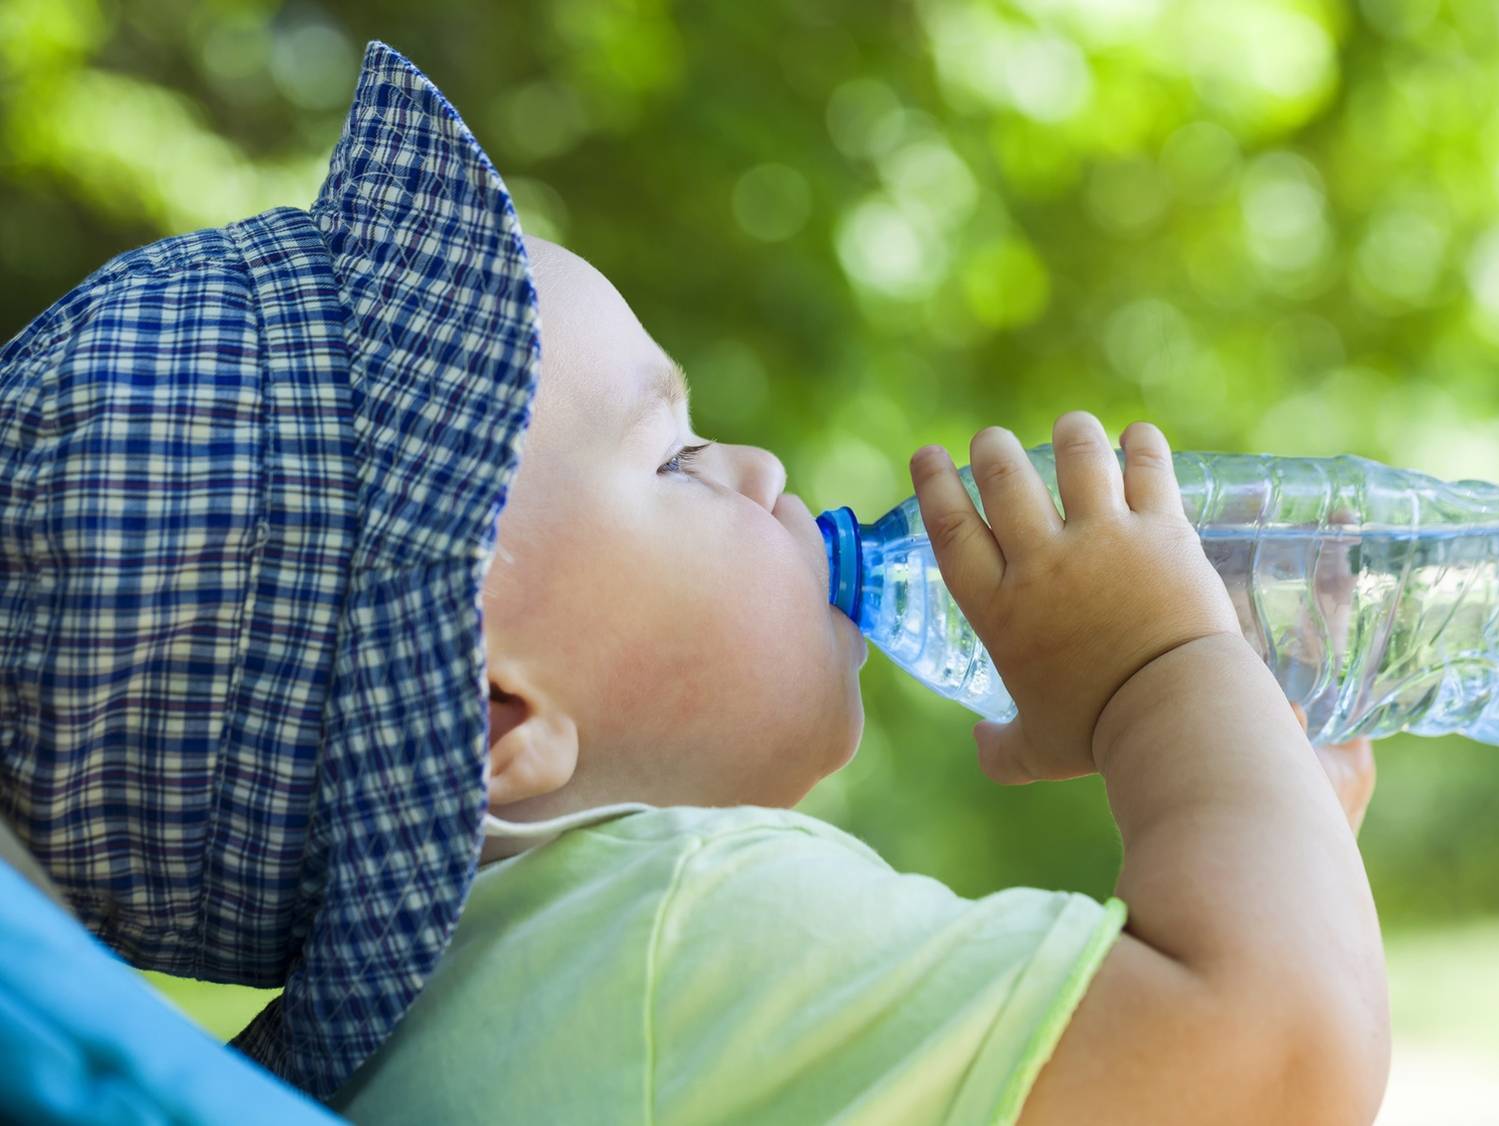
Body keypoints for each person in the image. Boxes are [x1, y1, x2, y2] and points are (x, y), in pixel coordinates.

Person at [1, 37, 1387, 1123]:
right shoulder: (675, 929)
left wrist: (1266, 804)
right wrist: (1164, 680)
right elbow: (1280, 1062)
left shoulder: (466, 1037)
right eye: (673, 459)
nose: (763, 470)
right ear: (490, 716)